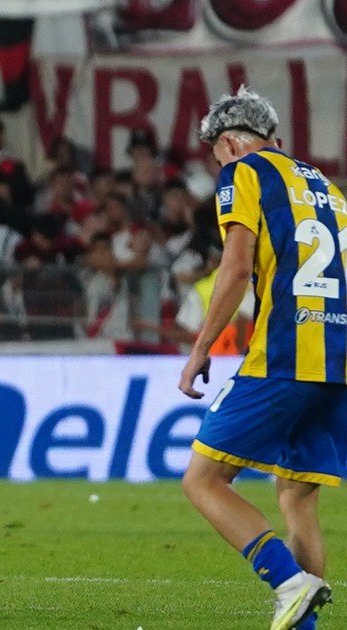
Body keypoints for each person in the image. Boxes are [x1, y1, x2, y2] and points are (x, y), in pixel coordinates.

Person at [178, 87, 341, 630]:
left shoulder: (244, 172)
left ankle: (290, 582)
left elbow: (234, 266)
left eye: (217, 154)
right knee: (296, 495)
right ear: (278, 139)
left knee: (203, 480)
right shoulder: (331, 191)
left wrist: (201, 348)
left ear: (229, 143)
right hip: (338, 359)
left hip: (286, 354)